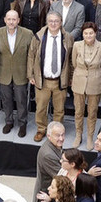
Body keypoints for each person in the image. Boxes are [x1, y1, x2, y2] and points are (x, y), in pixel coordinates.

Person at [27, 11, 73, 142]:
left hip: (60, 80)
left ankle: (56, 132)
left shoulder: (68, 38)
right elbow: (31, 56)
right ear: (47, 22)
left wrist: (70, 77)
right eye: (50, 21)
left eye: (56, 21)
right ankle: (41, 130)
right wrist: (30, 74)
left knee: (59, 109)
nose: (53, 24)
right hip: (43, 80)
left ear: (61, 22)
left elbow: (70, 60)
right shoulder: (38, 37)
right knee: (41, 108)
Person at [0, 9, 33, 138]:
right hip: (3, 72)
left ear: (18, 20)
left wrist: (30, 73)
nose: (11, 22)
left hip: (21, 73)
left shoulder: (28, 34)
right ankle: (9, 121)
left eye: (14, 19)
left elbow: (31, 56)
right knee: (6, 100)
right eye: (9, 19)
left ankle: (22, 124)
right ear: (5, 20)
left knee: (21, 100)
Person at [70, 21, 101, 148]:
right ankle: (78, 135)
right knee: (78, 111)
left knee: (92, 112)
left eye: (91, 33)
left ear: (95, 33)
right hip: (79, 82)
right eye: (85, 33)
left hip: (94, 82)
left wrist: (94, 75)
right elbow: (73, 63)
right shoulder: (76, 45)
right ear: (82, 34)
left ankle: (90, 137)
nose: (88, 36)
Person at [33, 121, 65, 202]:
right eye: (58, 135)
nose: (61, 139)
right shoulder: (48, 155)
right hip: (46, 197)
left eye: (63, 134)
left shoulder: (55, 144)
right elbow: (62, 178)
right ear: (49, 136)